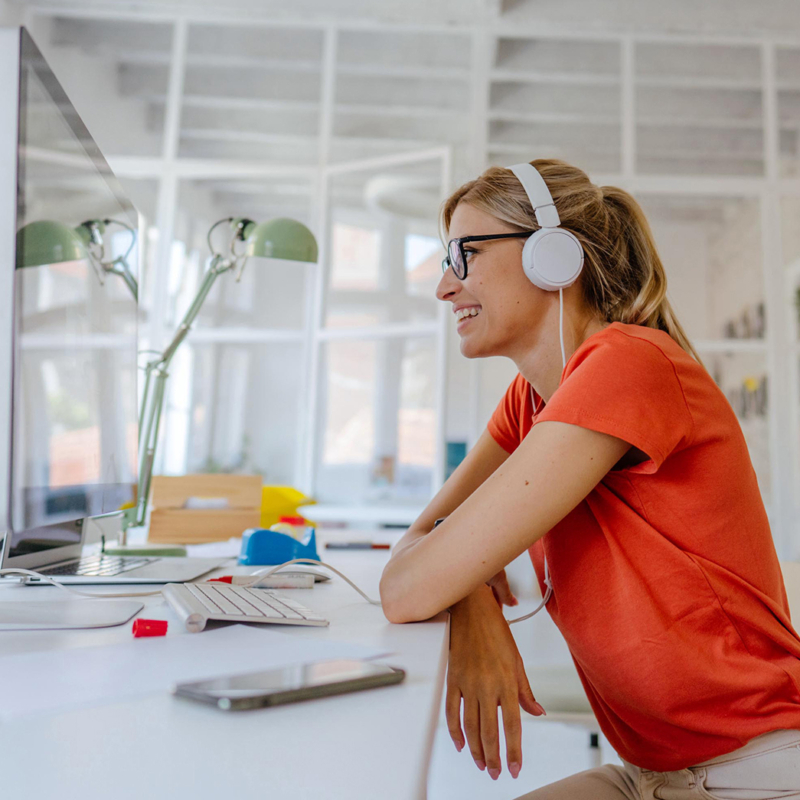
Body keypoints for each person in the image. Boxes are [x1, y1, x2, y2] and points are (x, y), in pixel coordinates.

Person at [379, 159, 800, 798]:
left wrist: (453, 573)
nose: (444, 286)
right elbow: (417, 551)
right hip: (648, 775)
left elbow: (410, 584)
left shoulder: (629, 363)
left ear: (554, 256)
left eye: (464, 254)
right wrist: (473, 602)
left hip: (757, 772)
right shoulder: (531, 399)